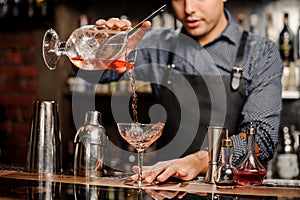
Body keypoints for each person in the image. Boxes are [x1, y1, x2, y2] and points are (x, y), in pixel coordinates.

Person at [92, 0, 283, 184]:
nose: (188, 8)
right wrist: (103, 48)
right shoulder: (158, 45)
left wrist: (201, 161)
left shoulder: (259, 53)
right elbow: (99, 75)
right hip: (167, 188)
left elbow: (261, 136)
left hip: (234, 191)